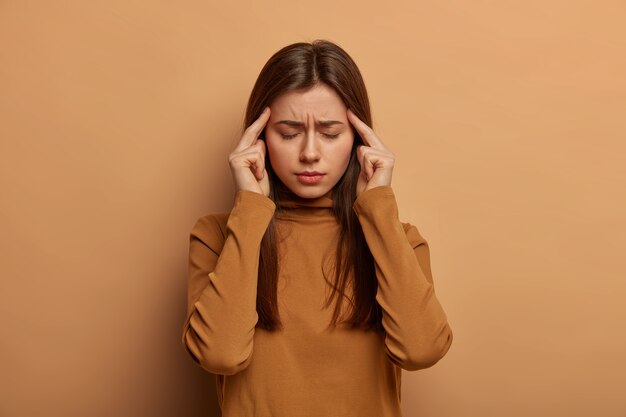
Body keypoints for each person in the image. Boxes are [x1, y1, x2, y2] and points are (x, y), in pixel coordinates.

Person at [180, 39, 453, 417]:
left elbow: (423, 350)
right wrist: (251, 210)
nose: (310, 152)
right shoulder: (217, 236)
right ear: (257, 140)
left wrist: (378, 208)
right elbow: (219, 354)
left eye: (330, 133)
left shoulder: (398, 239)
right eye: (289, 133)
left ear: (359, 140)